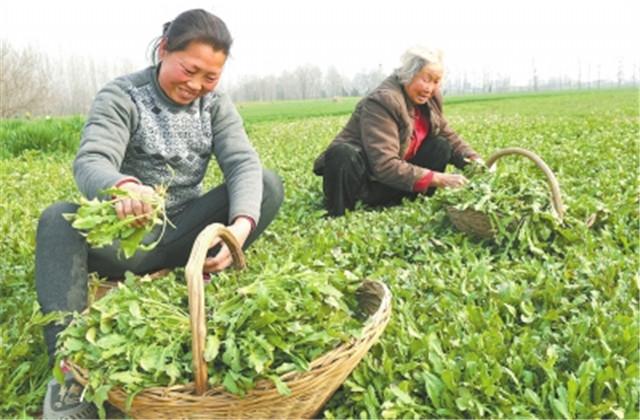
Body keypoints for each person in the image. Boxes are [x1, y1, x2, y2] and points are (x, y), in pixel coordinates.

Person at [36, 9, 284, 418]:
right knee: (58, 219)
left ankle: (203, 268)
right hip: (130, 234)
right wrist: (125, 188)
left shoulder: (214, 105)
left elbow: (242, 163)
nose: (195, 85)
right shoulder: (123, 95)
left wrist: (238, 229)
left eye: (210, 77)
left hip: (189, 231)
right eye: (189, 70)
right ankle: (70, 370)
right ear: (164, 49)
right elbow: (93, 159)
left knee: (268, 184)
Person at [313, 46, 482, 216]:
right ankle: (341, 210)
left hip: (394, 183)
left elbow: (447, 134)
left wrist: (474, 161)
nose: (429, 88)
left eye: (436, 81)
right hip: (365, 182)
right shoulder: (383, 101)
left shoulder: (430, 99)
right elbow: (384, 164)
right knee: (342, 153)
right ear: (409, 74)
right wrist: (438, 178)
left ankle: (408, 201)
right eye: (426, 79)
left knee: (441, 145)